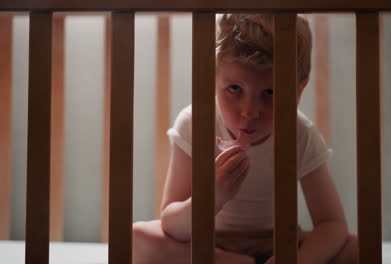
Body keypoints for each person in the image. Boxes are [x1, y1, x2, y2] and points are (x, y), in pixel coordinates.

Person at [132, 14, 358, 264]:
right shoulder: (195, 124)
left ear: (298, 91)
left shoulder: (299, 132)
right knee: (136, 238)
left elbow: (332, 223)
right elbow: (172, 225)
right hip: (209, 244)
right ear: (213, 79)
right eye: (234, 89)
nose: (250, 111)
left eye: (270, 92)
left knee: (358, 248)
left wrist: (299, 260)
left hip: (281, 244)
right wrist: (213, 196)